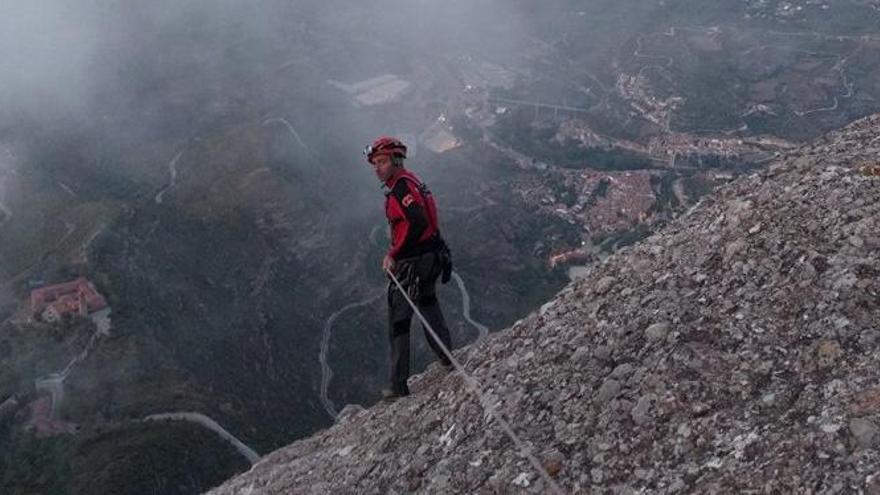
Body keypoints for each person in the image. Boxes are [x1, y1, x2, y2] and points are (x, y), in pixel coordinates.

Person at [364, 136, 454, 400]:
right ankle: (447, 356)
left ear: (395, 160)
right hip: (433, 255)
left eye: (381, 162)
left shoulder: (401, 188)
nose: (377, 168)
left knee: (399, 321)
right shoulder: (412, 181)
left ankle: (397, 385)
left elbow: (417, 221)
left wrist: (394, 253)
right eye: (375, 163)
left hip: (413, 262)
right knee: (427, 303)